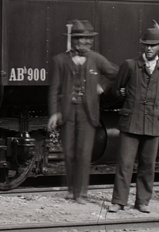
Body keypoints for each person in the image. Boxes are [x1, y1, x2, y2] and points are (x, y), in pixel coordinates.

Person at [47, 19, 118, 203]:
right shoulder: (60, 60)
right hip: (67, 112)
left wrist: (102, 86)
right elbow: (54, 89)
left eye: (89, 39)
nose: (85, 42)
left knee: (84, 153)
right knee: (69, 153)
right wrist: (54, 112)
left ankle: (82, 194)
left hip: (88, 113)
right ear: (73, 40)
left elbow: (116, 74)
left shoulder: (97, 59)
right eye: (81, 38)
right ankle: (72, 190)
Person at [108, 21, 159, 214]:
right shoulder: (129, 65)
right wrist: (123, 94)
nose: (149, 48)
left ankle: (143, 201)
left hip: (152, 123)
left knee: (148, 165)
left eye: (153, 45)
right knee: (125, 164)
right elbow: (116, 90)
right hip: (130, 122)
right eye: (146, 45)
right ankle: (119, 201)